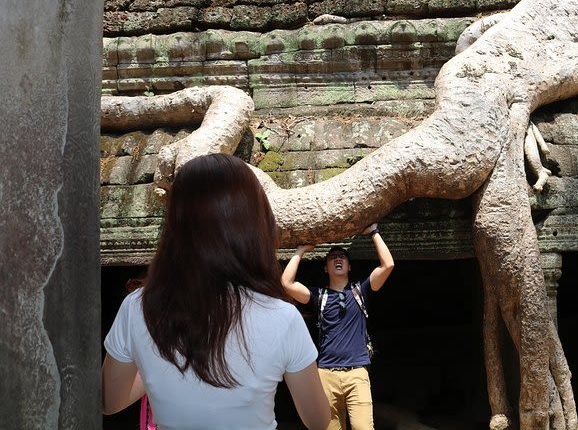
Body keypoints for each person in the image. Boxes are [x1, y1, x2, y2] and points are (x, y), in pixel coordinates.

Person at [102, 153, 330, 430]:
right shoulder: (283, 317)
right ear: (255, 224)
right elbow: (318, 420)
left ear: (176, 224)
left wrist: (159, 368)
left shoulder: (137, 306)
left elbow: (110, 401)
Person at [282, 224, 394, 430]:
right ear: (326, 268)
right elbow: (287, 283)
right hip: (326, 376)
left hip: (357, 373)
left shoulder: (362, 291)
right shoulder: (319, 296)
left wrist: (374, 232)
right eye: (332, 257)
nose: (338, 259)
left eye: (342, 256)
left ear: (349, 266)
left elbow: (388, 265)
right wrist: (299, 251)